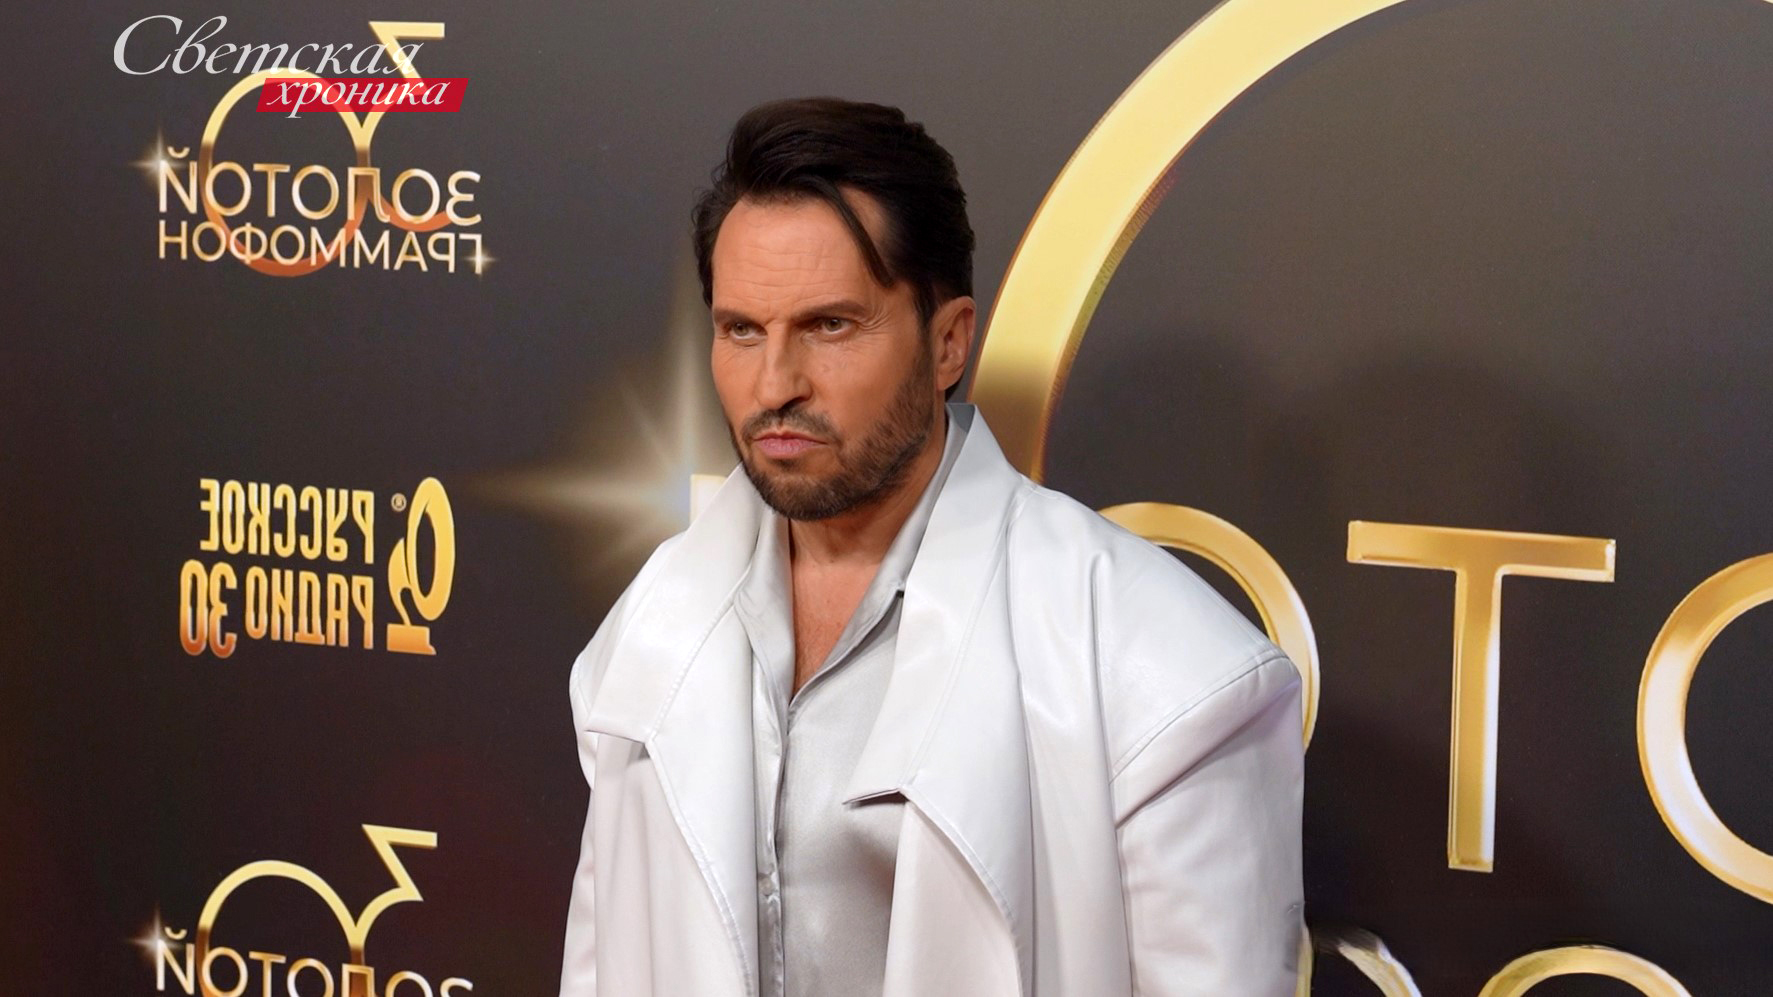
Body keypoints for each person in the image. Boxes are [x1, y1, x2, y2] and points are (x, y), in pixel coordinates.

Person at [560, 96, 1303, 997]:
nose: (774, 383)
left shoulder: (1169, 675)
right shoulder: (652, 621)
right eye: (741, 330)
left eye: (829, 326)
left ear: (948, 342)